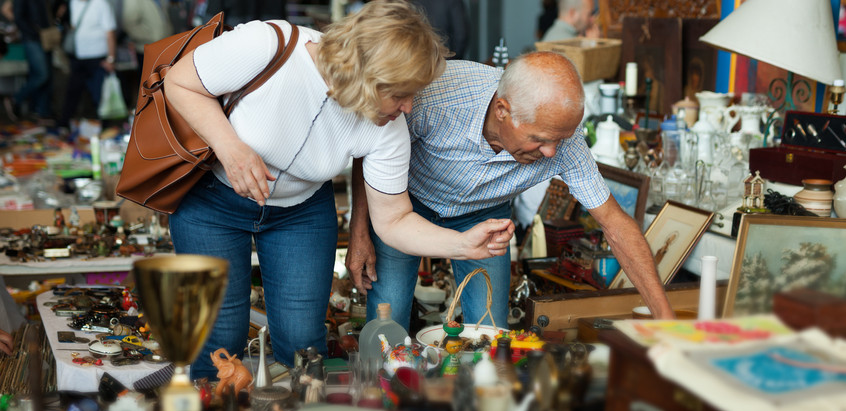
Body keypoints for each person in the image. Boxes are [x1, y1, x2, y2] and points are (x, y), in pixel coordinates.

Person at [163, 0, 513, 380]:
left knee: (302, 344)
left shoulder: (387, 127)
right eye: (400, 94)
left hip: (300, 212)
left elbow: (394, 220)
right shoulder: (266, 45)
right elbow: (178, 82)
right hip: (212, 203)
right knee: (218, 333)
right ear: (366, 74)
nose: (409, 108)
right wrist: (229, 146)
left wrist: (463, 244)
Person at [346, 52, 674, 330]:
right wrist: (359, 229)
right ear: (503, 111)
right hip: (405, 206)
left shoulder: (563, 141)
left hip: (486, 217)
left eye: (559, 140)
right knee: (388, 319)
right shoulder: (437, 94)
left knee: (490, 329)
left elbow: (615, 225)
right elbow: (371, 147)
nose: (551, 152)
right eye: (541, 139)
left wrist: (665, 319)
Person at [58, 0, 117, 128]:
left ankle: (105, 127)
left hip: (98, 58)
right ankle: (64, 125)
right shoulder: (71, 3)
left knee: (99, 94)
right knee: (72, 92)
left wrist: (111, 59)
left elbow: (110, 32)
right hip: (78, 57)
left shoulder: (101, 4)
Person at [12, 0, 54, 122]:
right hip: (32, 39)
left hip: (46, 37)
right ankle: (16, 99)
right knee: (42, 75)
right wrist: (36, 33)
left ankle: (41, 111)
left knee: (46, 77)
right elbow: (18, 17)